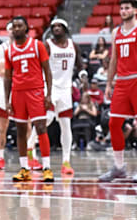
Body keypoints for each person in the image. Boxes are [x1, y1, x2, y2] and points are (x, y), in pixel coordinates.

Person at [99, 0, 137, 183]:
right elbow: (114, 60)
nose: (123, 11)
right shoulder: (116, 32)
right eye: (121, 8)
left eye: (127, 8)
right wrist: (109, 83)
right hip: (122, 83)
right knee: (113, 124)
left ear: (135, 10)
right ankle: (119, 167)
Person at [4, 16, 54, 182]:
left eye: (20, 26)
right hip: (18, 93)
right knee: (20, 130)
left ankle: (47, 168)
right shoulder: (9, 50)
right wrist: (7, 99)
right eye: (14, 26)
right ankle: (24, 168)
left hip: (36, 91)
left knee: (40, 128)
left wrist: (48, 94)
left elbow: (47, 70)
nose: (17, 29)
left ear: (27, 28)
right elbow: (7, 78)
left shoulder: (37, 45)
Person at [42, 17, 82, 175]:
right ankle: (30, 147)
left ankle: (66, 162)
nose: (57, 28)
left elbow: (80, 65)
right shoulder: (47, 45)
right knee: (47, 119)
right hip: (50, 87)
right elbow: (40, 66)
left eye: (60, 26)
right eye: (54, 26)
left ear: (65, 29)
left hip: (66, 89)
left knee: (66, 125)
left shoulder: (73, 46)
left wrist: (82, 77)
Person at [0, 22, 13, 170]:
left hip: (22, 89)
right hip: (5, 91)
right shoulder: (0, 49)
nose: (14, 31)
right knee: (2, 126)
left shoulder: (29, 47)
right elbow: (1, 71)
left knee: (27, 126)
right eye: (12, 28)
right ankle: (0, 157)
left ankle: (31, 158)